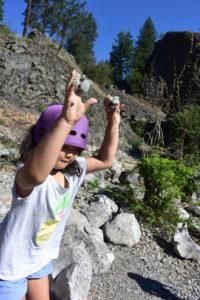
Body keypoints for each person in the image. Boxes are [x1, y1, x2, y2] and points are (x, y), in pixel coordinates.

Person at [0, 70, 121, 300]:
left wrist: (112, 123)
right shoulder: (28, 172)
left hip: (39, 260)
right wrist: (66, 120)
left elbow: (106, 159)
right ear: (43, 139)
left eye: (75, 149)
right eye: (64, 146)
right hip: (8, 266)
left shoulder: (74, 171)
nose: (69, 154)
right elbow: (36, 175)